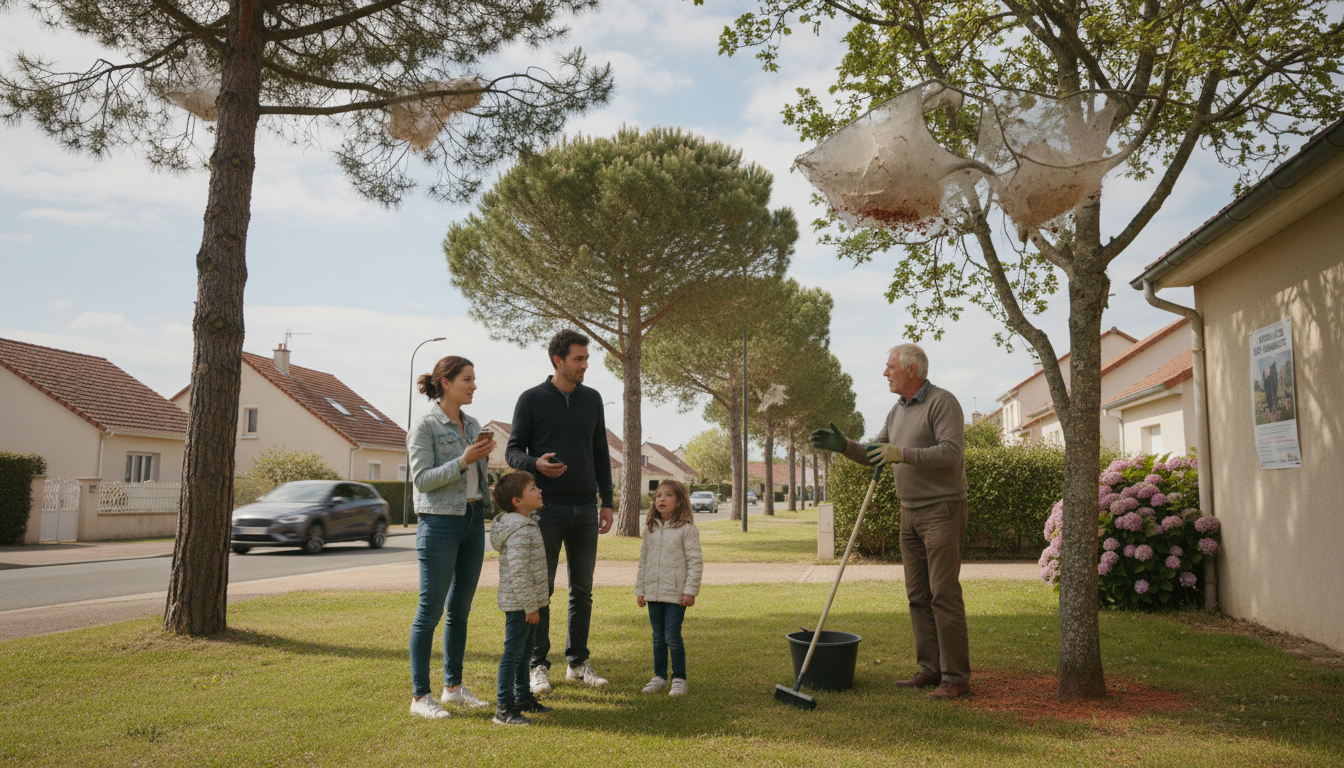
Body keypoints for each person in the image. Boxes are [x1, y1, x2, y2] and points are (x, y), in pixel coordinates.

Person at [810, 343, 972, 700]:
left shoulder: (943, 402)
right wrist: (845, 446)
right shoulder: (897, 410)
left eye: (890, 367)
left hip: (942, 509)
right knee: (917, 595)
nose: (886, 373)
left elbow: (951, 452)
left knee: (943, 594)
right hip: (909, 511)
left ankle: (956, 677)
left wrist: (903, 453)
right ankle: (930, 670)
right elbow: (876, 453)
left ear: (911, 370)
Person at [505, 329, 616, 693]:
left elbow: (601, 454)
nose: (585, 365)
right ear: (558, 360)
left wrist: (608, 502)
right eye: (578, 359)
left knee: (582, 590)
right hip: (546, 509)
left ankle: (578, 662)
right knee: (543, 590)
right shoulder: (531, 399)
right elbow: (512, 451)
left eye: (586, 358)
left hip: (585, 508)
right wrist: (536, 463)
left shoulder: (592, 399)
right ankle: (539, 665)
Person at [406, 355, 495, 719]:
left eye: (474, 379)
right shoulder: (424, 427)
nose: (474, 385)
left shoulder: (473, 424)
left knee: (460, 610)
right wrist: (464, 459)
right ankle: (419, 697)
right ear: (446, 382)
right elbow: (422, 480)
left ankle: (453, 688)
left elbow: (477, 478)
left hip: (473, 519)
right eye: (467, 379)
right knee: (430, 611)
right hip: (439, 522)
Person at [489, 471, 554, 726]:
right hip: (520, 605)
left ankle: (522, 698)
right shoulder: (518, 530)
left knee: (525, 653)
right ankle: (504, 709)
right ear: (517, 500)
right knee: (513, 654)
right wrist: (530, 605)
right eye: (533, 488)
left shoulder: (525, 523)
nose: (539, 491)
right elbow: (519, 572)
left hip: (528, 603)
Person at [635, 480, 704, 697]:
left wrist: (690, 591)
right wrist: (640, 589)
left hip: (676, 595)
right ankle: (659, 677)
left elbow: (695, 562)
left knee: (672, 635)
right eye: (658, 496)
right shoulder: (650, 530)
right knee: (657, 636)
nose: (661, 499)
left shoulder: (687, 530)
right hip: (653, 593)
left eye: (668, 495)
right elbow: (643, 561)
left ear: (680, 501)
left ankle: (679, 678)